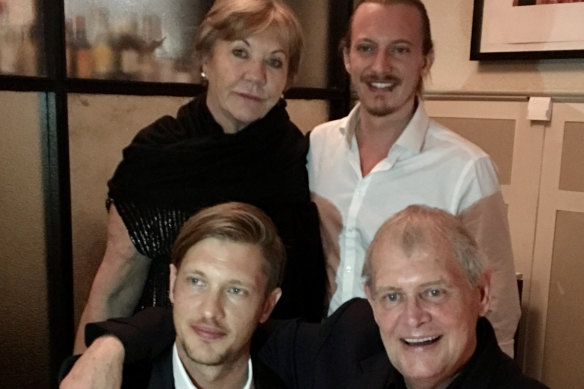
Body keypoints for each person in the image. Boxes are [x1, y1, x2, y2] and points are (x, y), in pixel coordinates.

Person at [74, 0, 327, 353]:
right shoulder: (157, 157)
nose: (256, 75)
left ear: (288, 78)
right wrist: (81, 369)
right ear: (206, 58)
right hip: (167, 357)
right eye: (240, 52)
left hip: (276, 360)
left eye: (274, 61)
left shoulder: (302, 159)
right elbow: (115, 290)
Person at [61, 205, 548, 389]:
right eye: (394, 296)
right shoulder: (351, 345)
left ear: (481, 293)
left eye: (434, 292)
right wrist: (113, 346)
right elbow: (220, 327)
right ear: (371, 300)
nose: (413, 318)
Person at [306, 0, 521, 355]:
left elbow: (496, 310)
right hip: (323, 365)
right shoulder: (317, 147)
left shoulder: (467, 169)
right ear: (347, 56)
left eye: (400, 50)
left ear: (426, 58)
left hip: (414, 370)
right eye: (366, 48)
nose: (380, 66)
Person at [62, 202, 288, 388]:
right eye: (197, 282)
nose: (210, 310)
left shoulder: (297, 378)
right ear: (172, 283)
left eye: (236, 291)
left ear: (268, 305)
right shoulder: (100, 379)